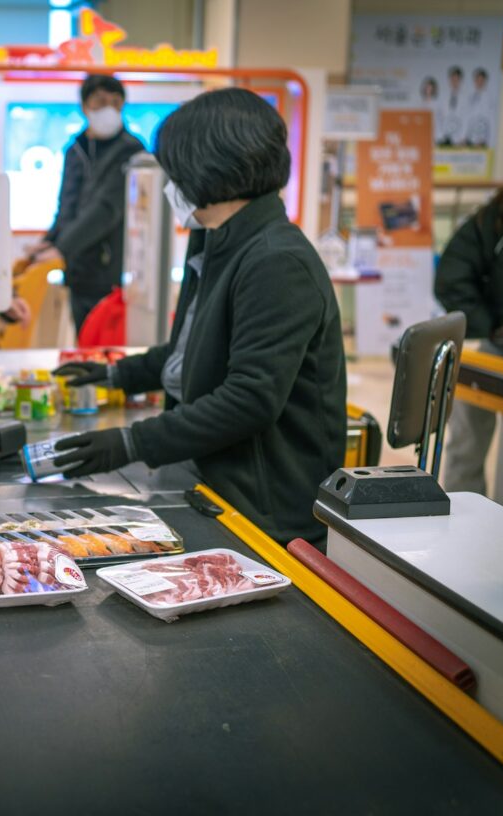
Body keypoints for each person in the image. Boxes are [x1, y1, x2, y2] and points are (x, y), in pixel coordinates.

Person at [52, 88, 347, 547]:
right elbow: (195, 350)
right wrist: (117, 373)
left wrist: (133, 443)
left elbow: (249, 399)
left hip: (263, 511)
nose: (170, 181)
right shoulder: (218, 240)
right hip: (211, 477)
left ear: (206, 168)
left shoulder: (275, 261)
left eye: (173, 167)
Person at [435, 143, 503, 495]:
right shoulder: (498, 218)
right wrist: (490, 327)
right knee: (466, 447)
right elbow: (451, 276)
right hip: (497, 348)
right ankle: (462, 520)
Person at [24, 74, 145, 334]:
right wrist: (50, 241)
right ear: (85, 106)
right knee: (83, 335)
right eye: (101, 102)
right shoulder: (76, 149)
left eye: (116, 102)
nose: (109, 109)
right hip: (78, 268)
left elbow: (107, 209)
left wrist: (63, 248)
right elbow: (66, 205)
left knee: (103, 340)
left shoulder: (131, 151)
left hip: (109, 268)